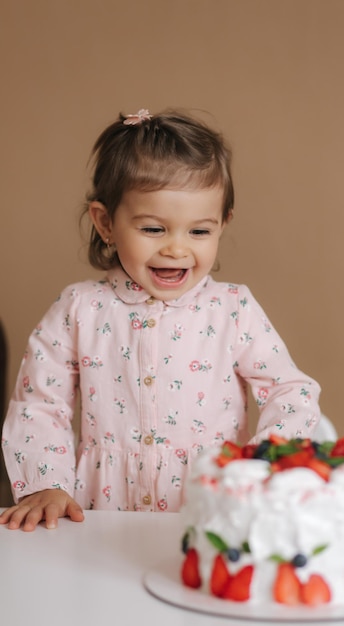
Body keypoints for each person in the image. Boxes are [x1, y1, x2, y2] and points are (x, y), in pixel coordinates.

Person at [0, 107, 321, 531]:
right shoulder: (79, 309)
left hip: (209, 514)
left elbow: (291, 390)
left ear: (223, 224)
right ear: (105, 223)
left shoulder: (233, 310)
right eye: (153, 229)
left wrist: (261, 464)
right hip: (101, 519)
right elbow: (41, 404)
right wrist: (45, 483)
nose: (176, 248)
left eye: (199, 231)